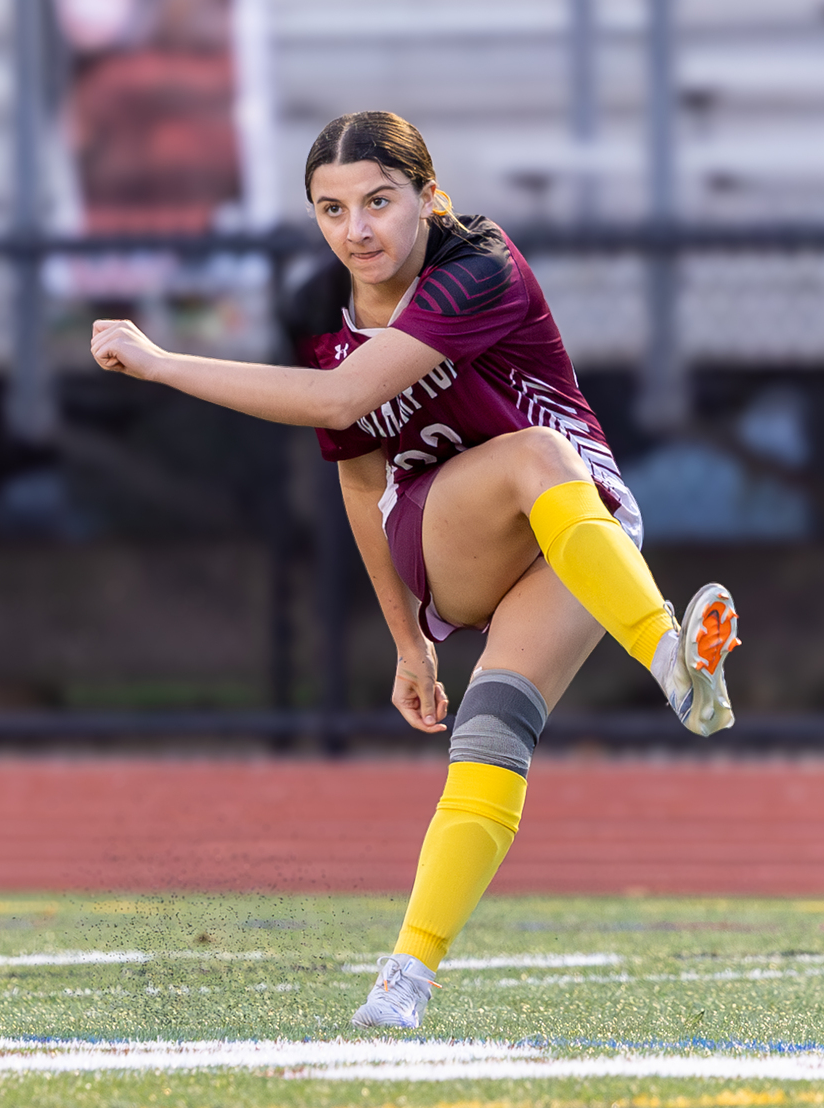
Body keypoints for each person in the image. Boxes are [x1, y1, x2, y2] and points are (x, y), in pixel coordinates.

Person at [89, 110, 740, 1029]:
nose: (356, 229)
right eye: (331, 209)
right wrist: (408, 641)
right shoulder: (323, 309)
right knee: (533, 458)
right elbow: (360, 478)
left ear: (431, 200)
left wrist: (161, 363)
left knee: (491, 739)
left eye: (380, 201)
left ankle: (404, 979)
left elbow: (345, 393)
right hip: (446, 539)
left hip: (587, 536)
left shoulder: (479, 266)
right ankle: (672, 658)